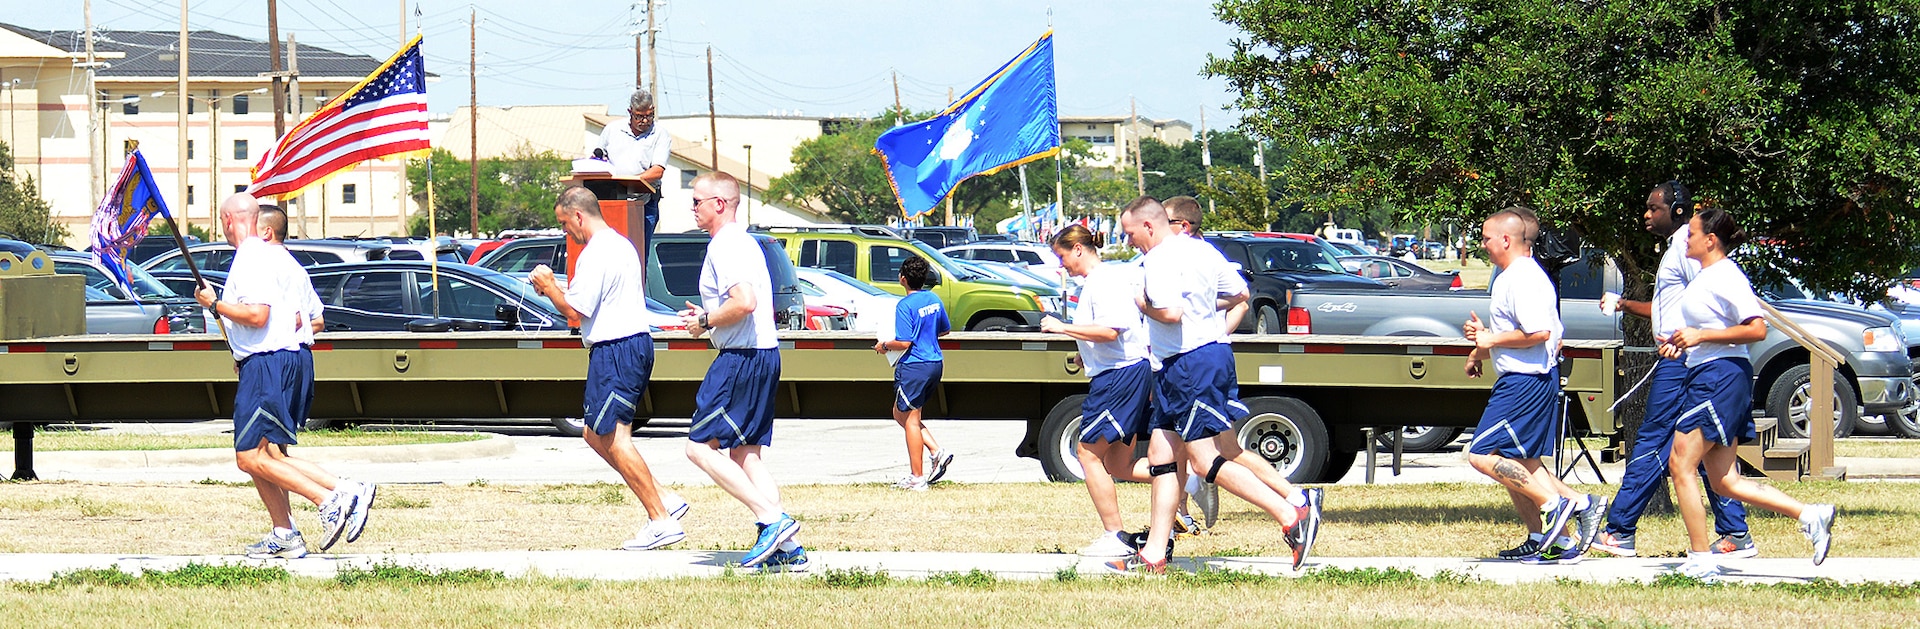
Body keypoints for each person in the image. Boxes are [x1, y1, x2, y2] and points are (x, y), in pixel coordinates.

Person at [1107, 196, 1321, 574]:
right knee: (1161, 455)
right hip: (1198, 358)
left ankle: (1292, 515)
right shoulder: (1202, 251)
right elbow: (1239, 293)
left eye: (1130, 233)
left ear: (1150, 226)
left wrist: (1142, 303)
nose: (1129, 242)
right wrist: (1204, 313)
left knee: (1206, 460)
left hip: (1188, 363)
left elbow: (1170, 313)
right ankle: (1154, 554)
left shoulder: (1157, 259)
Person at [1662, 206, 1836, 580]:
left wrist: (1701, 336)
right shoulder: (1706, 277)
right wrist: (1683, 343)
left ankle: (1701, 559)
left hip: (1719, 378)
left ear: (1710, 240)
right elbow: (1707, 330)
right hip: (1710, 372)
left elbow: (1756, 329)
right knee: (1725, 480)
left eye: (1691, 233)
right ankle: (1810, 514)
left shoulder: (1726, 276)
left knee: (1680, 464)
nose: (1685, 238)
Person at [194, 193, 367, 559]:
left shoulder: (251, 257)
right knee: (267, 453)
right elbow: (297, 318)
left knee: (249, 457)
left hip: (268, 363)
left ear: (228, 220)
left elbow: (258, 315)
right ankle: (287, 531)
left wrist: (214, 304)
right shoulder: (268, 256)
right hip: (271, 358)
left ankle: (332, 498)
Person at [1592, 182, 1754, 559]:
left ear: (1678, 210)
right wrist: (1625, 306)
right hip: (1681, 355)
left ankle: (1620, 531)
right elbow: (1674, 309)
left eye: (1654, 208)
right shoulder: (1678, 248)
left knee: (1654, 440)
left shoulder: (1688, 246)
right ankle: (1735, 533)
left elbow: (1707, 306)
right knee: (1701, 451)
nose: (1647, 215)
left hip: (1685, 361)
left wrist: (1686, 341)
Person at [529, 186, 690, 550]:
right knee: (593, 433)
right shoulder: (620, 245)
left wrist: (549, 285)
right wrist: (557, 292)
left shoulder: (597, 252)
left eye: (565, 223)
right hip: (627, 346)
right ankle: (664, 497)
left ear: (579, 216)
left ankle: (660, 520)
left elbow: (574, 312)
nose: (565, 231)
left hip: (616, 349)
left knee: (614, 438)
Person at [1462, 207, 1606, 565]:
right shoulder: (1515, 275)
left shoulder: (1521, 278)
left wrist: (1490, 340)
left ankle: (1556, 506)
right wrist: (1479, 351)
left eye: (1486, 238)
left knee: (1481, 455)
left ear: (1506, 239)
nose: (1482, 245)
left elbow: (1538, 333)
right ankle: (1556, 536)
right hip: (1522, 379)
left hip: (1524, 384)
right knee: (1521, 463)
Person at [679, 172, 806, 571]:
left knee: (698, 448)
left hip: (741, 358)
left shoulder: (726, 244)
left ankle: (772, 521)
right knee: (746, 455)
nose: (693, 208)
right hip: (764, 354)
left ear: (720, 203)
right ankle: (790, 548)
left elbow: (745, 301)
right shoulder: (746, 242)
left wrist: (704, 319)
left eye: (697, 201)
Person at [1042, 224, 1161, 558]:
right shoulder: (1102, 281)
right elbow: (1112, 333)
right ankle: (1183, 478)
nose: (1061, 264)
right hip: (1124, 371)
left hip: (1118, 377)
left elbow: (1111, 330)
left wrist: (1061, 326)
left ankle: (1114, 535)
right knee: (1120, 465)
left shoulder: (1103, 282)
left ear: (1078, 249)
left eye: (1062, 256)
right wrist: (1087, 352)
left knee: (1087, 453)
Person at [873, 255, 954, 491]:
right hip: (934, 363)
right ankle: (937, 451)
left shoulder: (905, 305)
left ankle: (917, 477)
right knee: (900, 413)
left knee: (909, 419)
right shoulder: (934, 299)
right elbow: (944, 330)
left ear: (903, 279)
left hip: (914, 366)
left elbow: (904, 342)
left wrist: (884, 345)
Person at [588, 90, 671, 244]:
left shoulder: (660, 134)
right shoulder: (612, 130)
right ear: (630, 112)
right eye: (639, 116)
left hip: (644, 203)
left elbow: (658, 171)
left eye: (649, 115)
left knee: (639, 252)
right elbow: (597, 157)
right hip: (612, 201)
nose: (645, 121)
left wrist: (630, 181)